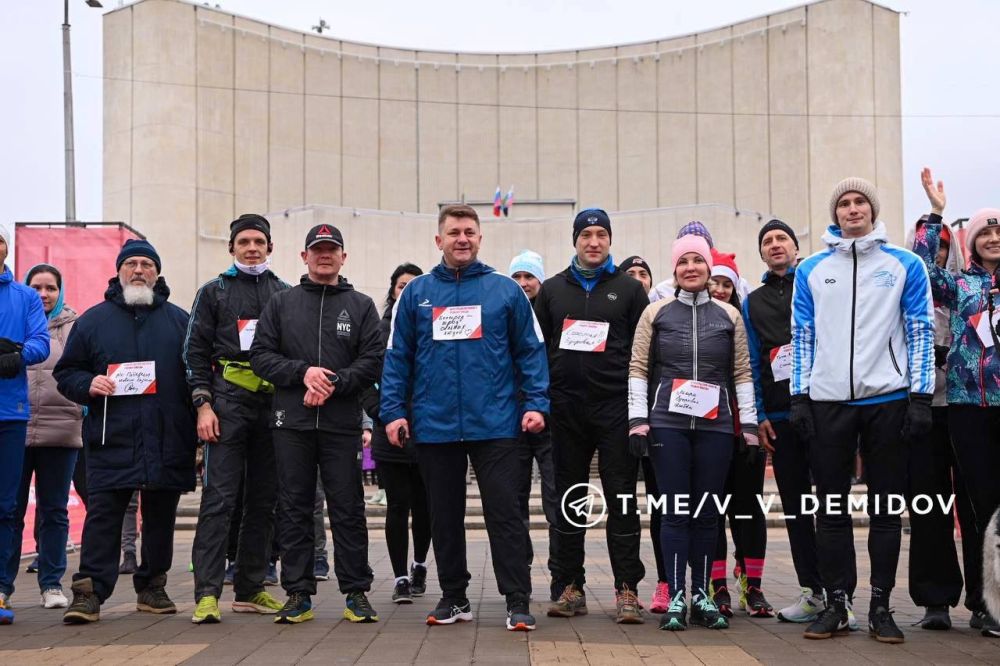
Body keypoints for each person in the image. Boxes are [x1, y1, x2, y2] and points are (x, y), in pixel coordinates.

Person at [380, 204, 548, 632]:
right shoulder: (416, 294)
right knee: (443, 516)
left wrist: (535, 404)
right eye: (453, 232)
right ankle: (454, 596)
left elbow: (531, 351)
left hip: (497, 424)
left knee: (506, 514)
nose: (462, 238)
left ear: (480, 238)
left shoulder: (504, 291)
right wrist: (394, 413)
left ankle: (517, 599)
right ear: (439, 240)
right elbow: (398, 359)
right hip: (435, 426)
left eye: (469, 232)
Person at [791, 177, 935, 644]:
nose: (852, 210)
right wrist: (799, 396)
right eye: (844, 204)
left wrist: (920, 397)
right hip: (828, 401)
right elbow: (803, 336)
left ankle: (881, 606)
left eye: (860, 202)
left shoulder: (905, 264)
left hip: (888, 400)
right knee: (830, 508)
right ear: (835, 214)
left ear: (872, 210)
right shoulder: (810, 268)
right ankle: (836, 603)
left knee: (887, 508)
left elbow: (919, 330)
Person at [55, 239, 196, 624]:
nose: (138, 270)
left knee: (160, 516)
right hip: (109, 435)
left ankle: (152, 586)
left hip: (167, 436)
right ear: (118, 271)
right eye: (131, 263)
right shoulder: (93, 321)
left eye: (146, 264)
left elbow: (196, 374)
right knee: (104, 515)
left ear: (157, 272)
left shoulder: (180, 321)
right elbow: (65, 373)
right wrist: (89, 383)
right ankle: (89, 593)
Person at [250, 223, 383, 625]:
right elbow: (261, 356)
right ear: (303, 257)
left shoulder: (361, 305)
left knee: (348, 508)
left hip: (341, 423)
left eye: (332, 249)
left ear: (344, 256)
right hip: (291, 422)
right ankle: (298, 593)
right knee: (294, 508)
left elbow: (373, 359)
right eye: (317, 249)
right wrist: (303, 372)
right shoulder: (280, 303)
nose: (324, 255)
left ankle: (356, 592)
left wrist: (334, 382)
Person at [628, 234, 758, 631]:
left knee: (706, 514)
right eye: (683, 261)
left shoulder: (729, 316)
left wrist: (749, 425)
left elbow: (741, 373)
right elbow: (637, 368)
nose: (690, 268)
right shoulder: (656, 313)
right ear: (674, 268)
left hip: (716, 428)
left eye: (697, 261)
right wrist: (637, 421)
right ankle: (676, 596)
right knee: (674, 512)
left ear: (708, 269)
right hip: (668, 425)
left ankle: (702, 595)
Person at [741, 219, 856, 626]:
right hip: (779, 416)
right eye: (767, 241)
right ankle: (812, 591)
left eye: (782, 239)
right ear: (761, 252)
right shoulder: (751, 301)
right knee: (795, 506)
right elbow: (752, 362)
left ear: (795, 246)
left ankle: (844, 595)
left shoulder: (817, 279)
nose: (775, 245)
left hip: (826, 407)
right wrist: (758, 416)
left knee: (832, 502)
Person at [535, 209, 647, 624]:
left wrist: (639, 412)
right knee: (569, 501)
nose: (594, 241)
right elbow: (538, 350)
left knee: (621, 499)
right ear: (575, 240)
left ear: (610, 240)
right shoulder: (551, 291)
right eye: (587, 234)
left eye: (601, 234)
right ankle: (569, 586)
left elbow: (643, 352)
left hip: (615, 409)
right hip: (565, 411)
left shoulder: (629, 290)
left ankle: (627, 590)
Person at [184, 214, 289, 623]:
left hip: (272, 405)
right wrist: (202, 405)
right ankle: (207, 594)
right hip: (226, 403)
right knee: (220, 498)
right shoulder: (214, 292)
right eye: (243, 241)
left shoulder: (283, 292)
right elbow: (193, 352)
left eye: (258, 241)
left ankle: (250, 589)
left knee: (264, 501)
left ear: (270, 247)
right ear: (231, 248)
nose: (251, 247)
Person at [915, 168, 1000, 636]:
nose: (992, 238)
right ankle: (985, 604)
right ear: (970, 242)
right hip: (968, 408)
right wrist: (936, 215)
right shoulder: (961, 285)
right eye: (984, 231)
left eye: (998, 231)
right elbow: (924, 270)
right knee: (982, 507)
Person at [905, 208, 971, 631]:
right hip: (922, 410)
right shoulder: (906, 293)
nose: (939, 254)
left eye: (946, 247)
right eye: (933, 246)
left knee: (976, 505)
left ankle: (986, 599)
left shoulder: (970, 290)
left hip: (970, 410)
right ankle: (935, 599)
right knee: (929, 507)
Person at [0, 265, 81, 611]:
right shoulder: (16, 314)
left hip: (58, 429)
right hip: (16, 425)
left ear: (59, 291)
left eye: (50, 287)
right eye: (37, 286)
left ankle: (51, 583)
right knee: (9, 510)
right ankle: (5, 585)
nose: (43, 293)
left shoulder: (75, 327)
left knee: (54, 510)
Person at [704, 251, 774, 619]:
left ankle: (754, 585)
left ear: (735, 287)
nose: (717, 289)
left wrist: (756, 419)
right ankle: (718, 589)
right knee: (713, 512)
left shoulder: (746, 323)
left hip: (744, 431)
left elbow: (759, 372)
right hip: (708, 432)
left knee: (748, 510)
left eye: (725, 283)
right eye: (712, 282)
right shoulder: (693, 321)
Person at [363, 263, 433, 604]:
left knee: (424, 507)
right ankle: (400, 577)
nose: (405, 291)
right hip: (389, 431)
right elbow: (366, 381)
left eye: (412, 286)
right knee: (396, 506)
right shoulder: (378, 331)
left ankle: (420, 564)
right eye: (400, 285)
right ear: (392, 290)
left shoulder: (433, 326)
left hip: (428, 431)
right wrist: (384, 415)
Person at [0, 235, 51, 625]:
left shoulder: (24, 297)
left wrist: (15, 355)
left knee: (5, 507)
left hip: (9, 414)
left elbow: (41, 343)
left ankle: (1, 590)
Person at [619, 255, 670, 614]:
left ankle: (676, 582)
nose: (637, 279)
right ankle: (650, 584)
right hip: (620, 422)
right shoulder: (616, 316)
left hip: (663, 422)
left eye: (643, 273)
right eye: (630, 274)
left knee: (666, 505)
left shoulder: (666, 315)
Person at [508, 251, 560, 600]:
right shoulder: (506, 311)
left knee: (556, 500)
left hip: (551, 421)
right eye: (518, 277)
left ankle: (562, 575)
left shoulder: (554, 313)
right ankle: (519, 571)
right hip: (511, 421)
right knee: (513, 502)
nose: (524, 283)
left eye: (530, 277)